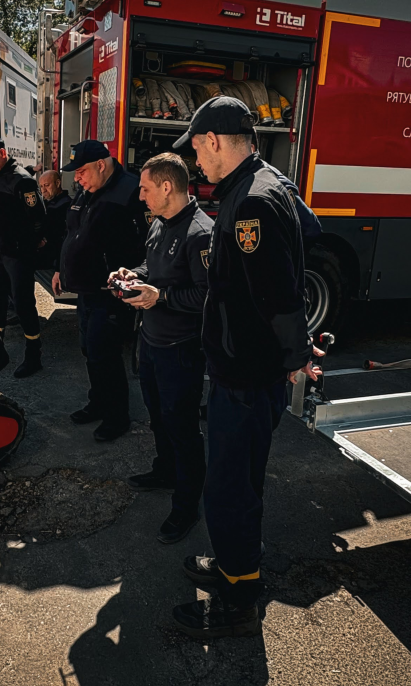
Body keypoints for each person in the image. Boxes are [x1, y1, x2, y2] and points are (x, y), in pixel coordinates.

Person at [169, 96, 321, 639]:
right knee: (241, 482)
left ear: (213, 140)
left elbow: (278, 297)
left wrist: (296, 356)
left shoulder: (251, 202)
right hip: (249, 372)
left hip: (246, 377)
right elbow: (311, 232)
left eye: (197, 152)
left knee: (230, 489)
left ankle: (238, 603)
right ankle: (238, 566)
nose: (195, 164)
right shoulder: (266, 182)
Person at [109, 153, 213, 544]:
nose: (140, 196)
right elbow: (151, 268)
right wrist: (130, 275)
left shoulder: (201, 233)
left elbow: (209, 296)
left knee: (182, 426)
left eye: (146, 188)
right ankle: (165, 470)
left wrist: (162, 297)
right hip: (151, 343)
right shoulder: (160, 224)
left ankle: (187, 505)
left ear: (167, 187)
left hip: (180, 349)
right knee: (158, 415)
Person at [53, 140, 140, 442]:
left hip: (111, 291)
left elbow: (146, 244)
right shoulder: (87, 189)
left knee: (106, 353)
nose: (77, 178)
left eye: (82, 171)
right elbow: (73, 231)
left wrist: (130, 284)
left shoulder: (131, 190)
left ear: (101, 165)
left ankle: (117, 417)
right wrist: (59, 269)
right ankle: (98, 402)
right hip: (86, 289)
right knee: (90, 350)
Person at [0, 135, 46, 378]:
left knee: (24, 304)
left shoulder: (22, 180)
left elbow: (38, 218)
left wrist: (26, 248)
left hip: (18, 257)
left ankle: (33, 355)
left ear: (3, 153)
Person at [37, 170, 72, 269]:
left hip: (54, 259)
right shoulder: (46, 203)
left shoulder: (66, 205)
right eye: (41, 186)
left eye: (47, 185)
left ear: (57, 183)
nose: (43, 190)